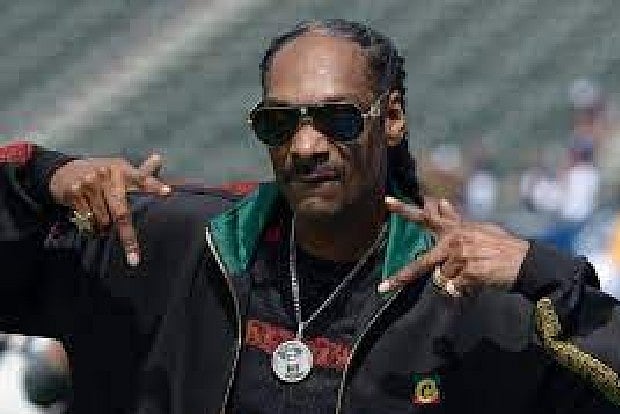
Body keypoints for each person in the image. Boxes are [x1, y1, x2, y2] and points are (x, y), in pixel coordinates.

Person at [1, 20, 620, 413]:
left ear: (392, 119)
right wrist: (44, 177)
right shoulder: (167, 246)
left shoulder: (468, 298)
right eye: (278, 122)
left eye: (337, 119)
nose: (305, 146)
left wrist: (542, 273)